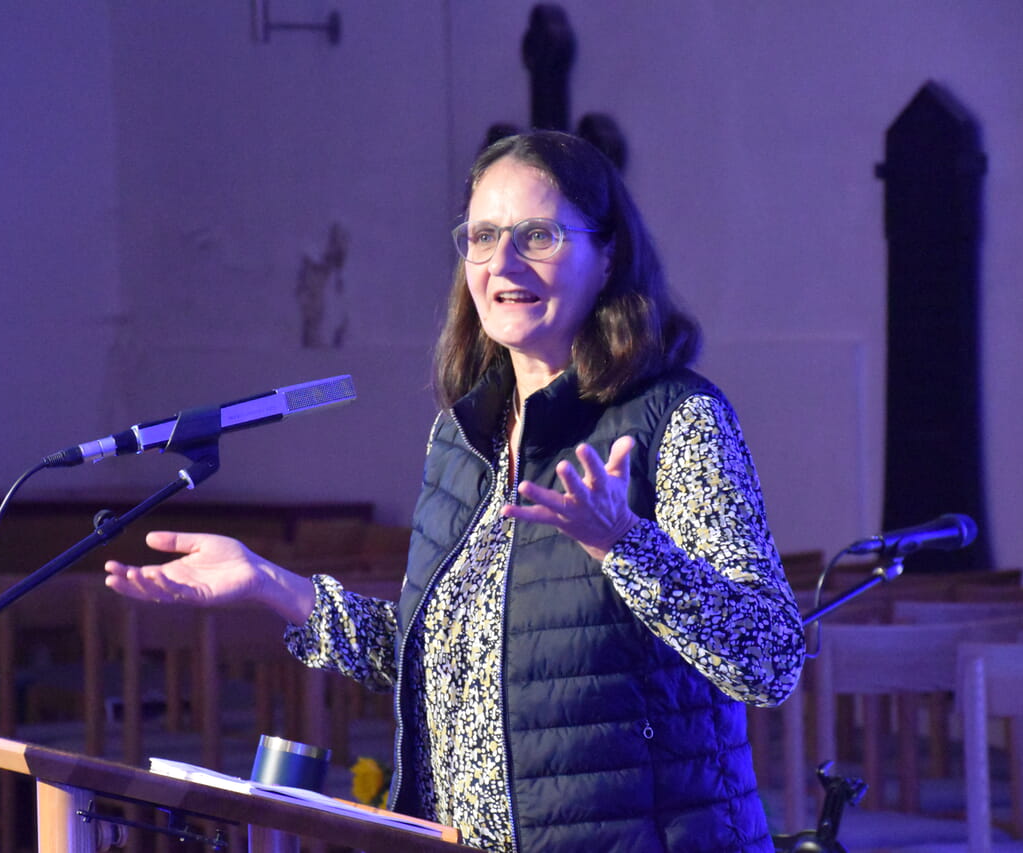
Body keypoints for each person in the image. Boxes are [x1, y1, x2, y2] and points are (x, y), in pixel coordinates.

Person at [104, 129, 805, 853]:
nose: (503, 261)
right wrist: (269, 583)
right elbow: (437, 664)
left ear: (607, 256)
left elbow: (771, 658)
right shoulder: (462, 437)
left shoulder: (676, 417)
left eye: (537, 235)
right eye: (483, 235)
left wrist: (622, 543)